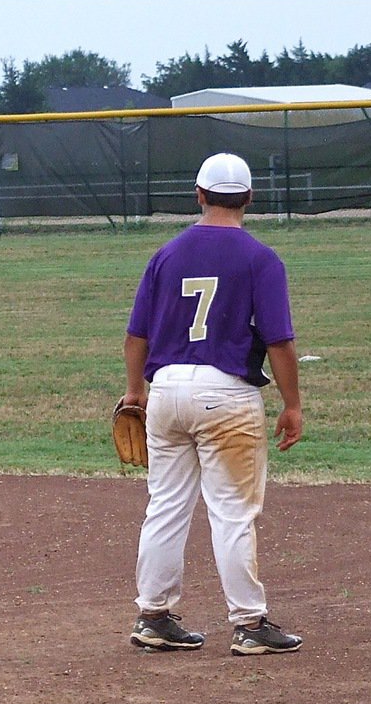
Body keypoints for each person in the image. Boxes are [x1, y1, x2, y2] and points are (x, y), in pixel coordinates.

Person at [122, 152, 305, 657]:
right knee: (230, 513)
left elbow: (136, 334)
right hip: (226, 394)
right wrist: (292, 403)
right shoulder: (260, 258)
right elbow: (279, 341)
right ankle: (249, 624)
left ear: (198, 195)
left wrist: (136, 390)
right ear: (249, 198)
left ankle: (154, 617)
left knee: (165, 507)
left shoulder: (166, 254)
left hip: (166, 389)